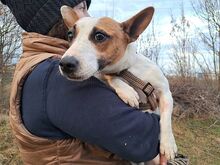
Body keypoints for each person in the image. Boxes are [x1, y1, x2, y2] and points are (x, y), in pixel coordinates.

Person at [1, 0, 168, 164]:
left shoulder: (35, 65)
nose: (88, 15)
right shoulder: (59, 75)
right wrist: (157, 105)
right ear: (56, 17)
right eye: (82, 7)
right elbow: (144, 140)